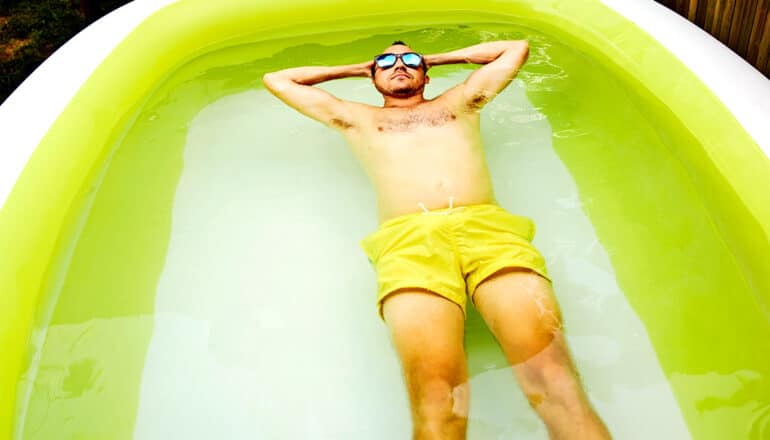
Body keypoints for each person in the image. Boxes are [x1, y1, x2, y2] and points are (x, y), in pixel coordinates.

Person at [263, 40, 611, 440]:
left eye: (410, 60)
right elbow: (279, 80)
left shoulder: (458, 103)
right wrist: (357, 66)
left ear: (426, 74)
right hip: (408, 243)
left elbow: (516, 49)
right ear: (372, 76)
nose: (399, 65)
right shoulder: (358, 118)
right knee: (435, 396)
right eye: (387, 62)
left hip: (490, 233)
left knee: (553, 379)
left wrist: (440, 57)